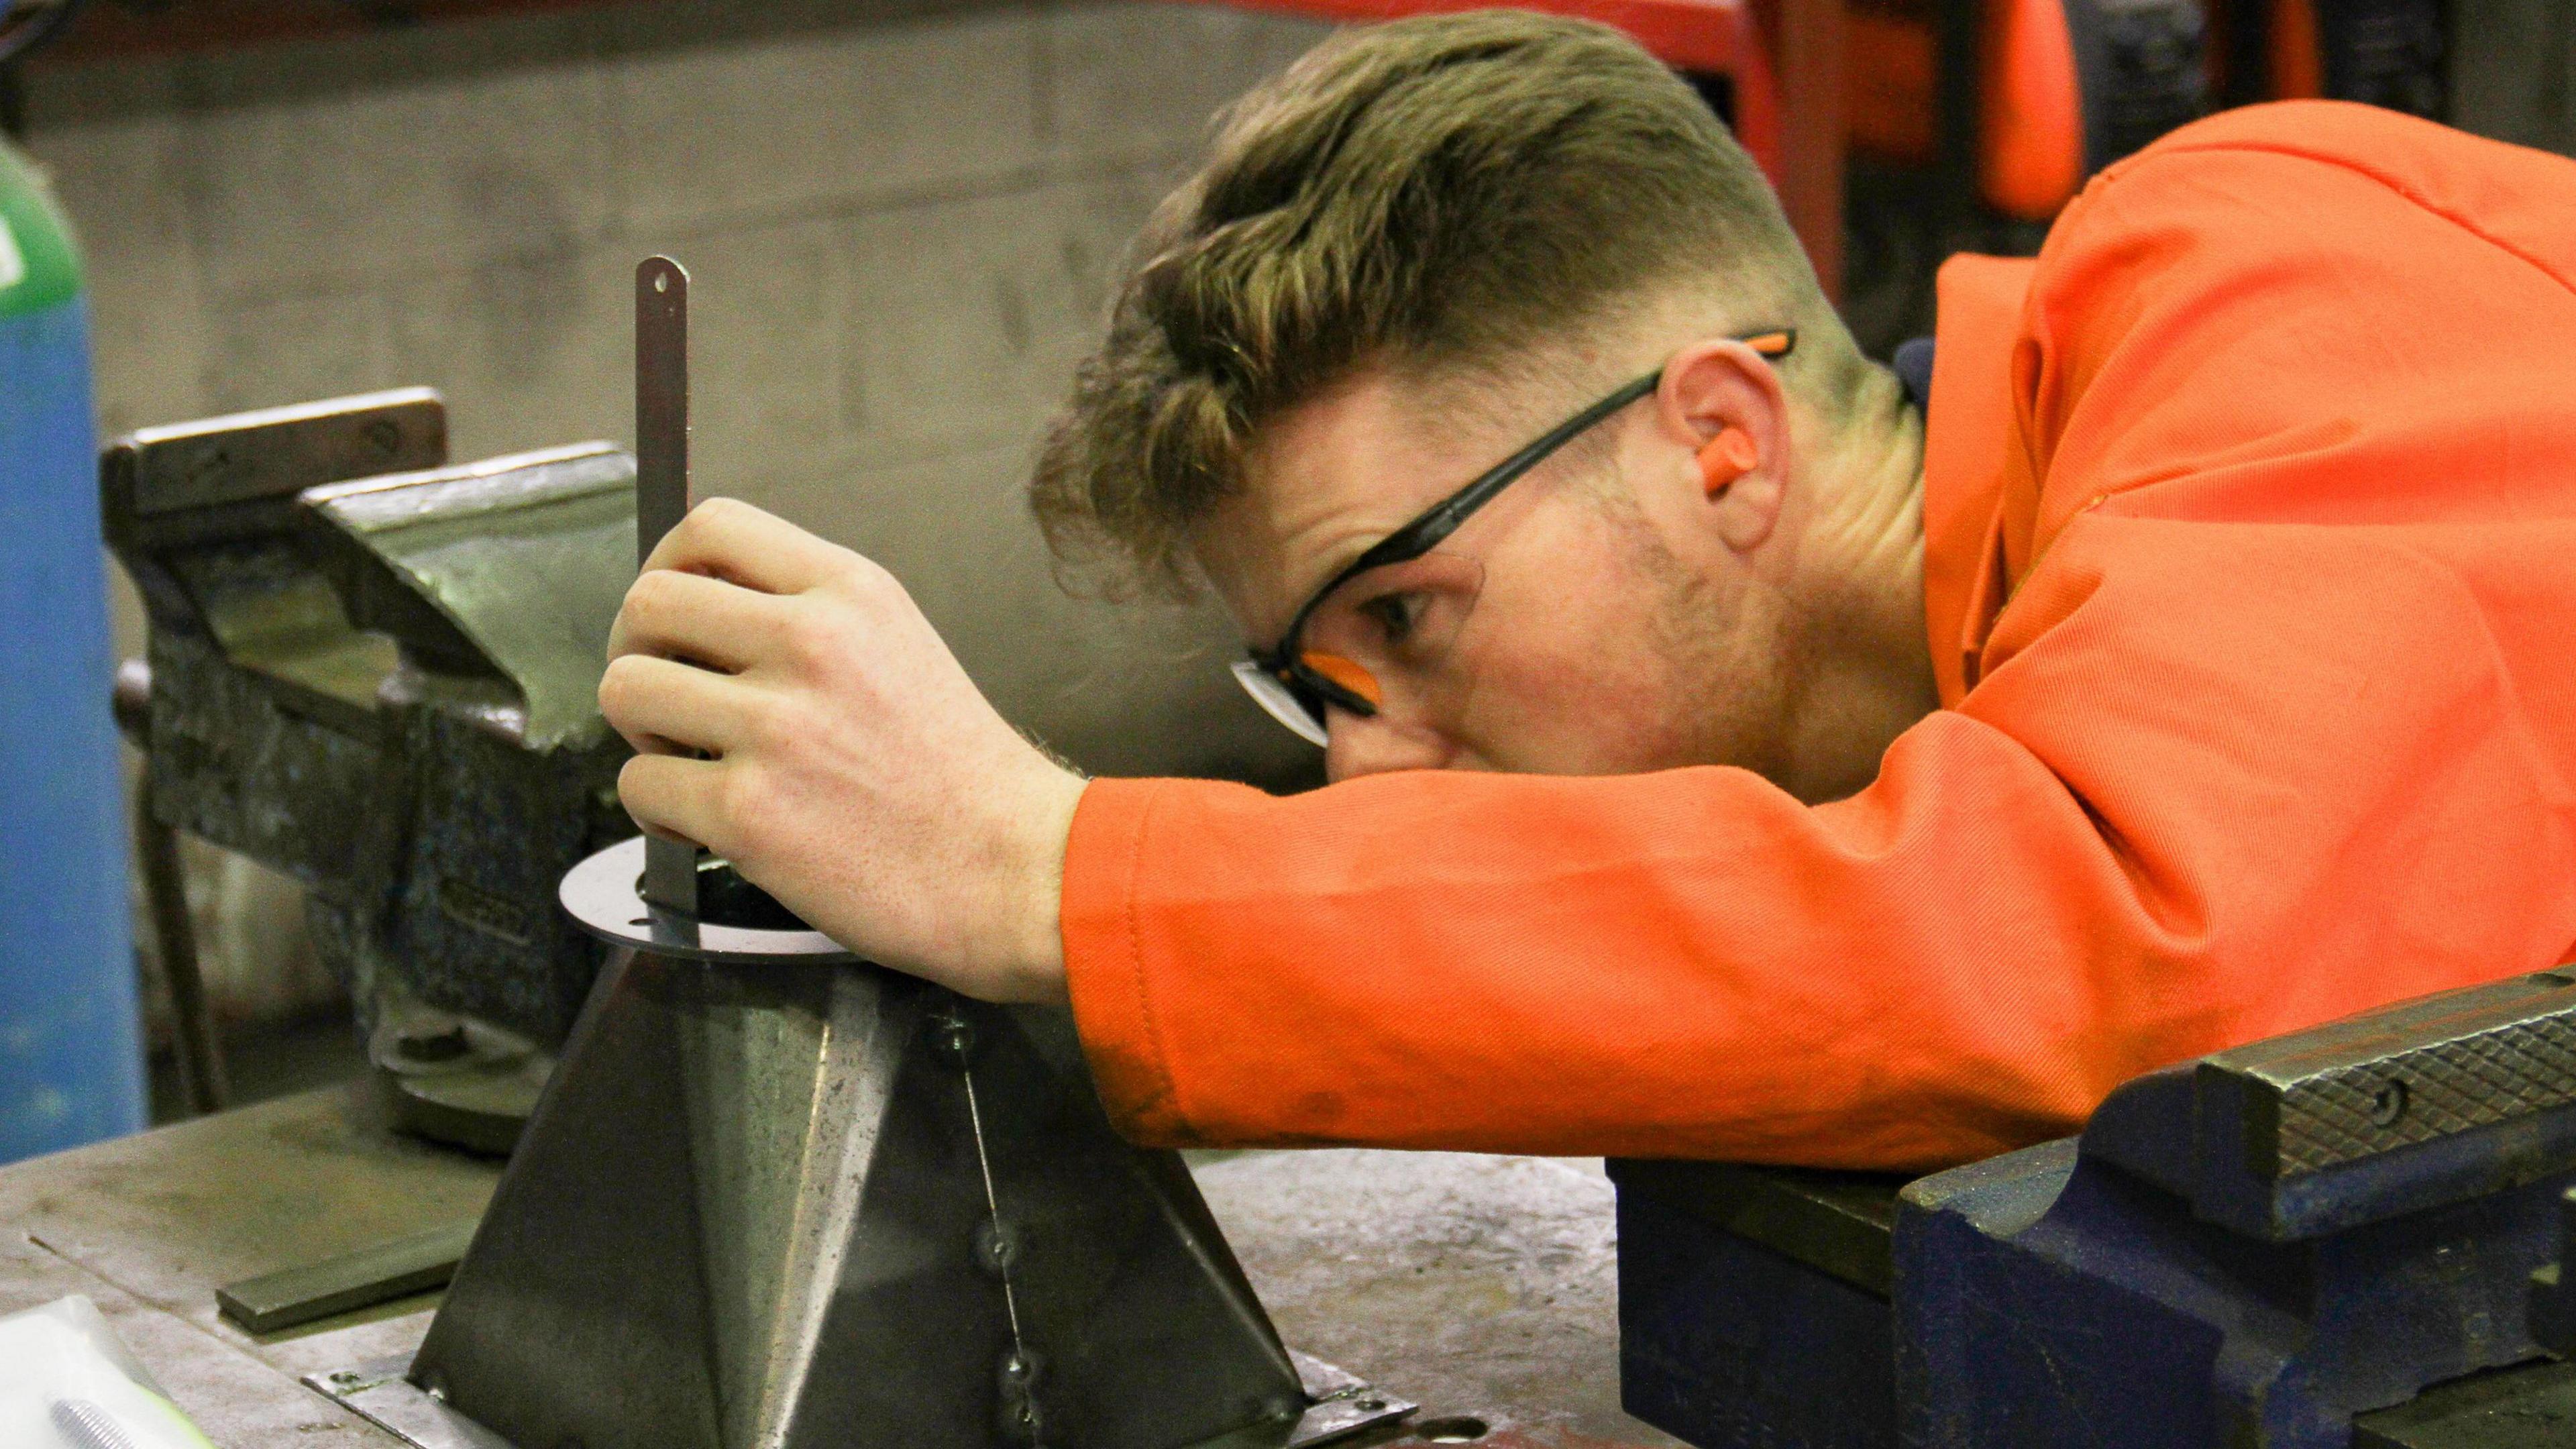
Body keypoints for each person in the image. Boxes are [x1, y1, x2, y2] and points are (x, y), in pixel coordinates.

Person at [596, 12, 2576, 1171]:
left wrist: (1052, 875)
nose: (1375, 785)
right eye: (1321, 686)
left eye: (1410, 622)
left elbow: (2139, 946)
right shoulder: (2018, 669)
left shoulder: (2247, 280)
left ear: (1719, 440)